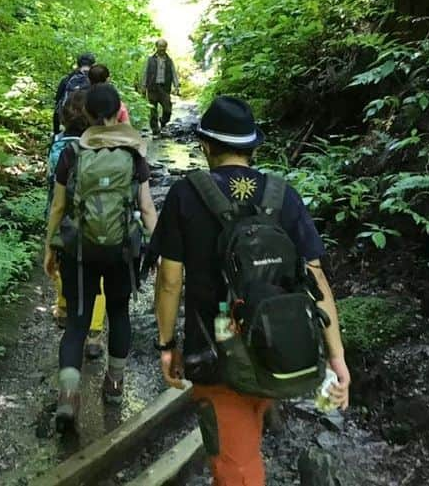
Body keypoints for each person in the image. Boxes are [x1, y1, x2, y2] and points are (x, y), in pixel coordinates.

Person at [151, 96, 350, 485]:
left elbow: (169, 279)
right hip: (281, 348)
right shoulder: (283, 195)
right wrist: (336, 356)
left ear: (206, 145)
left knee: (236, 470)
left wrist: (166, 345)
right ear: (253, 148)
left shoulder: (185, 195)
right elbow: (317, 279)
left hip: (215, 356)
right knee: (251, 420)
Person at [43, 84, 158, 433]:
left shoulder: (73, 154)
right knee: (119, 313)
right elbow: (147, 208)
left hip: (80, 252)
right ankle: (115, 385)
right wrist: (161, 247)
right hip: (121, 250)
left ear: (88, 114)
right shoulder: (134, 153)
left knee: (77, 322)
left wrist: (50, 246)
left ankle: (68, 396)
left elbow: (59, 207)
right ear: (118, 112)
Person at [48, 90, 107, 354]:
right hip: (100, 217)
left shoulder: (60, 146)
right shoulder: (105, 145)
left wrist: (49, 241)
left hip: (67, 219)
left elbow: (56, 195)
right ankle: (95, 332)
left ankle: (64, 309)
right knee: (100, 277)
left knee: (62, 265)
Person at [140, 39, 180, 136]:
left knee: (168, 109)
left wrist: (176, 86)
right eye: (160, 46)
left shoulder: (169, 61)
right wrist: (143, 86)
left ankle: (163, 121)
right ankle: (155, 130)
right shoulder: (150, 59)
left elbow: (174, 74)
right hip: (152, 87)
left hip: (164, 88)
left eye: (164, 46)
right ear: (156, 47)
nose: (162, 49)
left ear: (166, 47)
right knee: (153, 110)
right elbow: (145, 73)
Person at [53, 53, 95, 135]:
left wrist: (56, 132)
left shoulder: (67, 79)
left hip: (69, 124)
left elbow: (57, 105)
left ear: (78, 64)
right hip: (90, 127)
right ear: (93, 65)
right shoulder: (97, 81)